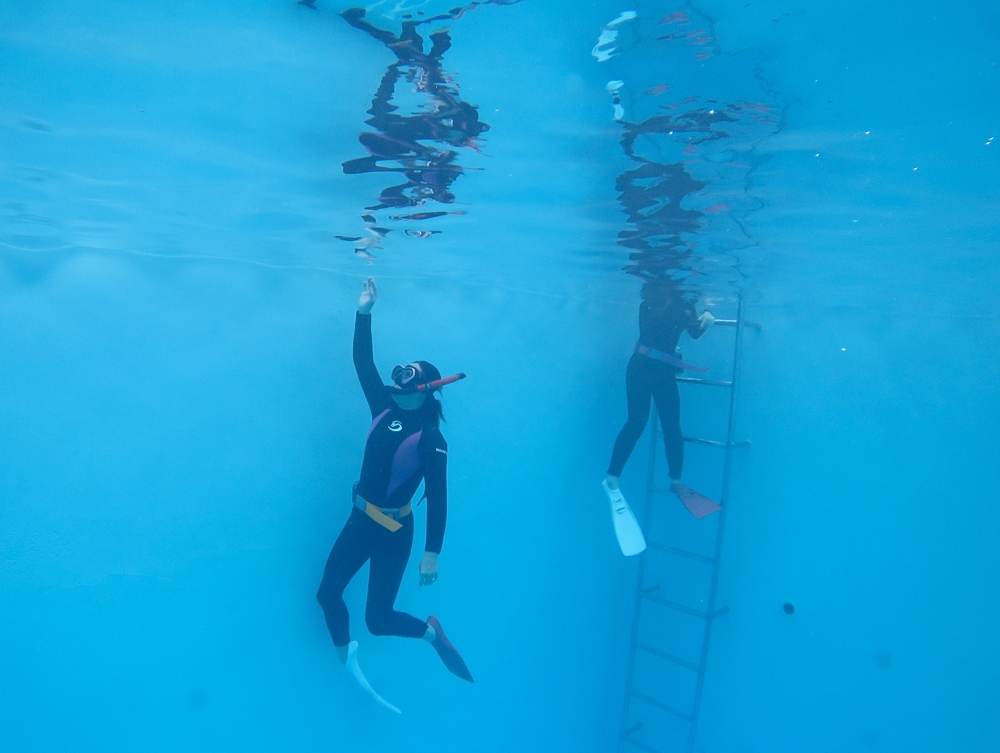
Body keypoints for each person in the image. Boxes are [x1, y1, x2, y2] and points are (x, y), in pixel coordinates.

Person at [316, 277, 473, 700]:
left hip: (394, 534)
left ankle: (432, 635)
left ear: (425, 392)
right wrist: (363, 312)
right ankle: (344, 652)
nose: (395, 386)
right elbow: (363, 363)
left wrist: (432, 553)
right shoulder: (382, 407)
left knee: (378, 620)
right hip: (359, 520)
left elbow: (438, 498)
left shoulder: (432, 439)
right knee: (326, 593)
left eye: (407, 383)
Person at [604, 279, 718, 517]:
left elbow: (659, 328)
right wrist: (707, 317)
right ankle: (676, 480)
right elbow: (694, 333)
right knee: (671, 425)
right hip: (662, 372)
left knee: (636, 422)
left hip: (639, 366)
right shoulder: (685, 305)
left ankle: (613, 476)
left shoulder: (647, 300)